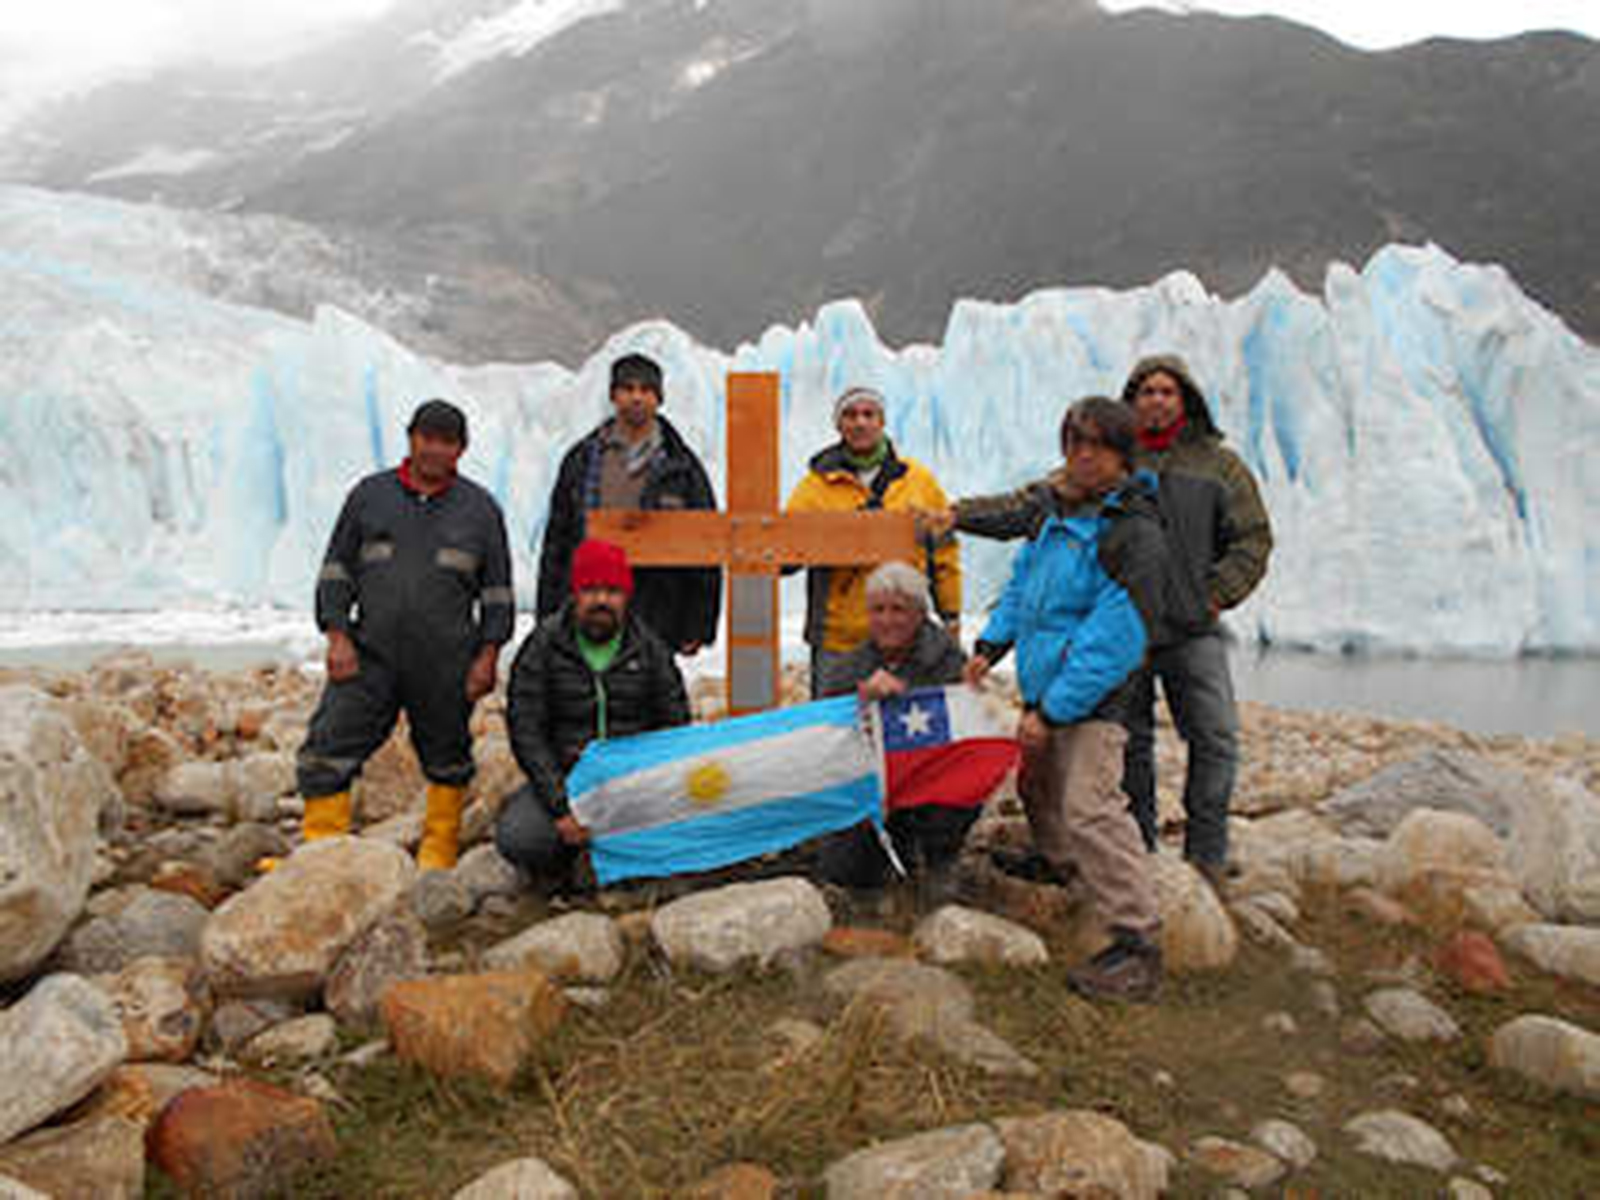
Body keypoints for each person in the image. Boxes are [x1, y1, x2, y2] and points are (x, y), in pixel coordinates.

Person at [930, 354, 1272, 886]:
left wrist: (1215, 595)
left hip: (1188, 628)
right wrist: (958, 514)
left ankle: (1205, 855)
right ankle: (1139, 851)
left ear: (1186, 400)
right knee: (1127, 746)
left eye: (1167, 391)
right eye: (1145, 391)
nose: (1156, 400)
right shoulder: (1092, 471)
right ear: (1130, 403)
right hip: (1118, 632)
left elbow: (1252, 539)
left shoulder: (1218, 466)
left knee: (1214, 736)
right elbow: (1023, 508)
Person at [966, 396, 1168, 1002]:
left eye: (1098, 445)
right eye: (1075, 443)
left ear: (1123, 455)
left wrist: (1053, 709)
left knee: (1091, 807)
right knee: (1038, 787)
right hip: (1046, 688)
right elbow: (1023, 588)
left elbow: (1113, 639)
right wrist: (991, 645)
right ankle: (1061, 866)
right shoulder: (1055, 517)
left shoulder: (1131, 532)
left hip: (1097, 699)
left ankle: (1138, 940)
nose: (1083, 455)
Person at [295, 398, 512, 871]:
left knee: (448, 753)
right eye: (427, 438)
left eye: (447, 442)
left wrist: (488, 656)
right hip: (368, 653)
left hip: (446, 660)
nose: (435, 449)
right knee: (330, 743)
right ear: (411, 438)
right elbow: (336, 570)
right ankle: (320, 850)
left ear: (461, 449)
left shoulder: (480, 510)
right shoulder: (369, 496)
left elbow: (497, 592)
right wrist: (337, 635)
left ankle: (439, 849)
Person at [497, 539, 691, 887]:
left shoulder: (650, 648)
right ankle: (565, 868)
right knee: (521, 837)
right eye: (591, 590)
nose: (602, 600)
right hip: (567, 778)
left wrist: (648, 789)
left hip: (631, 781)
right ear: (575, 593)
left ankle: (614, 861)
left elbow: (675, 724)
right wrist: (560, 807)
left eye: (612, 591)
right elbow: (526, 729)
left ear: (627, 596)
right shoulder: (543, 645)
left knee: (683, 824)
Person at [537, 353, 720, 655]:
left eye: (646, 390)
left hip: (658, 608)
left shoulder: (682, 467)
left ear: (659, 398)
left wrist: (698, 623)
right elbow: (558, 540)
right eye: (627, 389)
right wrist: (548, 617)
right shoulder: (582, 460)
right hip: (590, 607)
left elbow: (705, 545)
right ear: (613, 396)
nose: (637, 398)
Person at [814, 560, 972, 906]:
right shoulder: (850, 665)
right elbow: (824, 732)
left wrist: (905, 697)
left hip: (931, 777)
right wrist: (861, 700)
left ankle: (941, 859)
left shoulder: (949, 660)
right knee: (843, 871)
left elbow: (965, 726)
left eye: (898, 610)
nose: (887, 620)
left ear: (920, 614)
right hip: (873, 783)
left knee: (954, 792)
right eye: (878, 610)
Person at [786, 385, 961, 696]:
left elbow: (943, 552)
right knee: (836, 721)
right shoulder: (816, 486)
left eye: (869, 414)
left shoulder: (918, 481)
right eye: (850, 415)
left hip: (907, 638)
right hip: (839, 639)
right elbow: (785, 549)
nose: (860, 422)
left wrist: (951, 614)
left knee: (911, 719)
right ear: (839, 425)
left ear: (882, 422)